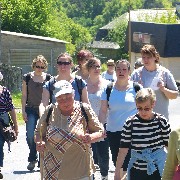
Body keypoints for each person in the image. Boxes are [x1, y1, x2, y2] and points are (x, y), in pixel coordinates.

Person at [34, 80, 105, 180]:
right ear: (55, 99)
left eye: (68, 97)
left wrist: (91, 137)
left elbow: (101, 131)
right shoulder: (50, 111)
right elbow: (38, 132)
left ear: (74, 94)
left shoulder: (84, 109)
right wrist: (39, 142)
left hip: (81, 169)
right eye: (60, 99)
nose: (65, 102)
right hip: (53, 169)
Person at [114, 88, 171, 180]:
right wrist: (117, 173)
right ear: (136, 105)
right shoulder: (130, 123)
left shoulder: (161, 122)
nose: (143, 112)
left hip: (158, 169)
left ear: (153, 104)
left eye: (147, 108)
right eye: (139, 108)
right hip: (137, 171)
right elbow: (123, 149)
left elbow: (170, 147)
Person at [99, 59, 141, 178]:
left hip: (133, 132)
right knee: (117, 162)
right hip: (114, 132)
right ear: (115, 71)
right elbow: (103, 110)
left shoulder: (137, 88)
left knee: (130, 163)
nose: (121, 72)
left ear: (129, 71)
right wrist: (101, 127)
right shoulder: (108, 89)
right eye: (118, 69)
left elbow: (143, 109)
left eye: (124, 69)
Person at [131, 44, 178, 119]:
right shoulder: (136, 74)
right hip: (140, 120)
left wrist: (163, 89)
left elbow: (175, 95)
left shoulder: (164, 73)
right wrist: (138, 89)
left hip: (160, 120)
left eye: (148, 57)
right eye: (143, 57)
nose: (145, 60)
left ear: (155, 57)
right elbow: (129, 96)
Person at [21, 55, 51, 171]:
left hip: (44, 110)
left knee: (43, 135)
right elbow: (24, 95)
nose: (39, 69)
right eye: (37, 66)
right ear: (34, 66)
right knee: (30, 135)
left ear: (45, 67)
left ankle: (40, 159)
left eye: (42, 67)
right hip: (31, 109)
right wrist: (23, 111)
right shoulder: (27, 77)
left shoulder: (48, 78)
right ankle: (33, 157)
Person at [39, 52, 90, 117]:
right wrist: (42, 118)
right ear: (57, 65)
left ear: (71, 65)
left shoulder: (79, 82)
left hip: (77, 121)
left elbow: (86, 103)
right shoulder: (50, 84)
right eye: (60, 63)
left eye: (66, 63)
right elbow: (43, 104)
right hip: (56, 121)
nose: (63, 66)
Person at [86, 57, 110, 180]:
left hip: (103, 122)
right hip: (86, 123)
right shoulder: (82, 84)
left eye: (98, 66)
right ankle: (91, 175)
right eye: (94, 66)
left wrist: (100, 126)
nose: (97, 69)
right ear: (88, 68)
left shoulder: (107, 84)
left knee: (103, 152)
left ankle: (105, 175)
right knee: (89, 152)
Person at [0, 72, 19, 179]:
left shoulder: (5, 91)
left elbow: (11, 108)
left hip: (3, 120)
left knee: (0, 143)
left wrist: (16, 126)